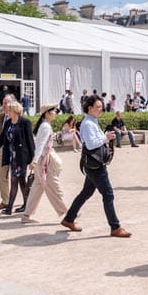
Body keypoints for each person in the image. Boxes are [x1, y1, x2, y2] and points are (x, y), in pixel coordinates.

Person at [60, 95, 130, 237]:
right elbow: (91, 144)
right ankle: (115, 227)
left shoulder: (92, 121)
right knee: (108, 194)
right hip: (95, 164)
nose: (101, 109)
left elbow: (93, 140)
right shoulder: (88, 124)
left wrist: (104, 137)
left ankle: (69, 219)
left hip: (93, 163)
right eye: (97, 107)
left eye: (101, 106)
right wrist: (105, 138)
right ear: (89, 108)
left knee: (86, 193)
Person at [23, 103, 68, 224]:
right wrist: (35, 161)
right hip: (44, 161)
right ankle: (67, 213)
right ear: (47, 113)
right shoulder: (45, 127)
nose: (56, 113)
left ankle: (27, 215)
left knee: (37, 189)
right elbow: (40, 145)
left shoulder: (44, 125)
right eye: (54, 111)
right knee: (54, 186)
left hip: (42, 160)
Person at [0, 101, 34, 215]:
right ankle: (26, 204)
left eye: (9, 110)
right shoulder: (8, 123)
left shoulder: (25, 122)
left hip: (22, 157)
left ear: (15, 111)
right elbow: (1, 139)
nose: (7, 112)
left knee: (14, 180)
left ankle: (9, 207)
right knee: (21, 182)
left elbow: (30, 140)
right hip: (12, 157)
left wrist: (33, 159)